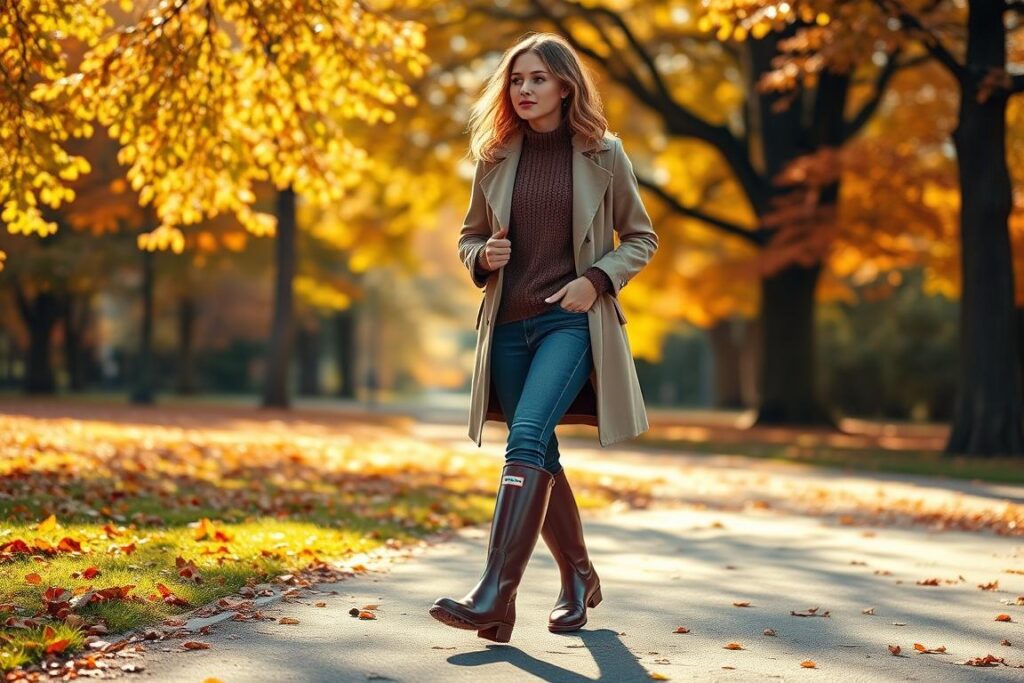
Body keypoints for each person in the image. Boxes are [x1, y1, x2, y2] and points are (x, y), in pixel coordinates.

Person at [429, 32, 658, 644]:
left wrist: (598, 279)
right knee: (542, 454)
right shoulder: (494, 156)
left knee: (527, 437)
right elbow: (468, 237)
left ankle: (492, 593)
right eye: (515, 79)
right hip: (506, 325)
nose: (523, 89)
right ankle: (577, 577)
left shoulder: (604, 154)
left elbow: (641, 237)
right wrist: (484, 255)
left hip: (570, 320)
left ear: (565, 85)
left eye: (536, 79)